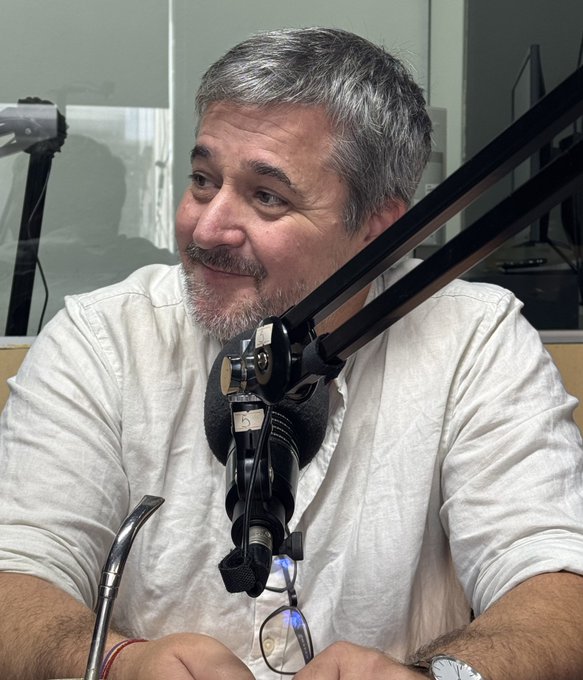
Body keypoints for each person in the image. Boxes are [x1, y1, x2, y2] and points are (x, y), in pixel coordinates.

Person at [0, 26, 582, 680]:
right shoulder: (102, 338)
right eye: (202, 180)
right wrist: (118, 665)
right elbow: (16, 574)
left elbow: (558, 585)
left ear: (378, 228)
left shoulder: (475, 339)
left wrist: (434, 676)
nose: (206, 228)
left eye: (266, 196)